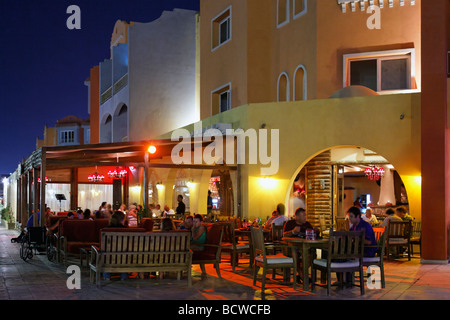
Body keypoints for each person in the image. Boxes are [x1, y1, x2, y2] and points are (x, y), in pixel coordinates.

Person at [104, 211, 128, 280]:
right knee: (124, 255)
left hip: (109, 256)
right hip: (123, 256)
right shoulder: (126, 229)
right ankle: (124, 276)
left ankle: (107, 276)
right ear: (122, 219)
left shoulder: (106, 229)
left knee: (106, 255)